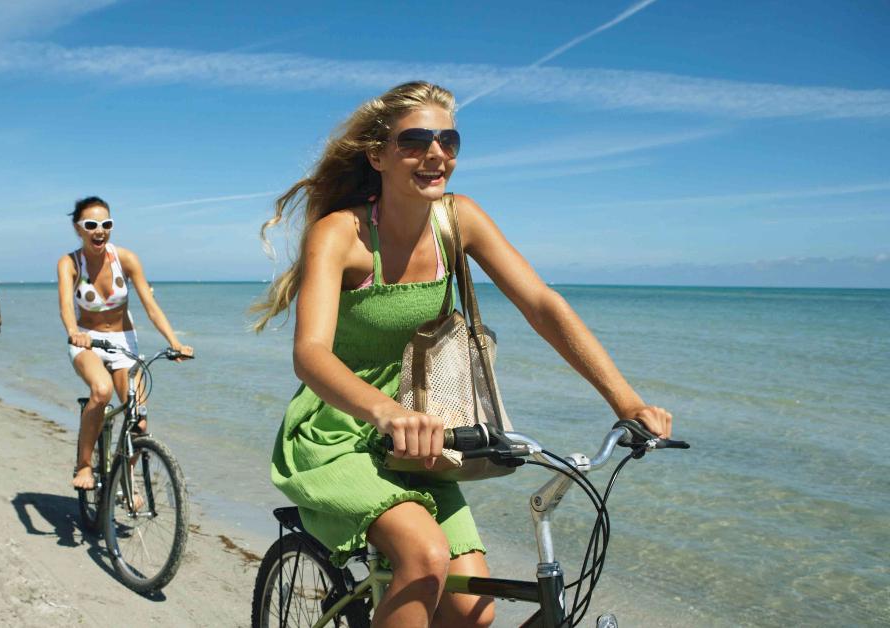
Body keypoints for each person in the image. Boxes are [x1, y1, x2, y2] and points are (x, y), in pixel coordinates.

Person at [253, 81, 673, 627]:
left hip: (428, 431)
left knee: (473, 611)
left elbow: (542, 304)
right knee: (423, 558)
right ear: (378, 155)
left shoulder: (458, 221)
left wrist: (626, 401)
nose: (435, 154)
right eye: (416, 141)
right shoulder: (343, 234)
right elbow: (310, 353)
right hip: (339, 429)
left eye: (448, 140)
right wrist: (389, 413)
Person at [57, 196, 194, 490]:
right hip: (87, 340)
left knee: (139, 419)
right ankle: (83, 466)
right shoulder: (69, 263)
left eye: (106, 224)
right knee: (101, 390)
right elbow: (67, 306)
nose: (100, 230)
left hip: (124, 340)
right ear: (78, 228)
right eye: (91, 225)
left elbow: (150, 306)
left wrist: (175, 342)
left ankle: (126, 478)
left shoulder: (126, 259)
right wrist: (73, 331)